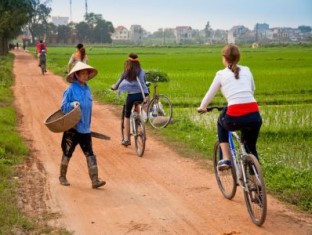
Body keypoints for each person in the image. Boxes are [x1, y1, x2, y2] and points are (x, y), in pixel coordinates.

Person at [197, 44, 262, 171]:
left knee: (221, 123)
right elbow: (252, 89)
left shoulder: (221, 74)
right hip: (254, 115)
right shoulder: (247, 70)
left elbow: (209, 94)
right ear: (238, 58)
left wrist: (202, 107)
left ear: (224, 58)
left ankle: (226, 158)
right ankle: (257, 183)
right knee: (251, 148)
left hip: (234, 117)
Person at [59, 61, 106, 188]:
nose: (85, 76)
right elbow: (63, 106)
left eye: (87, 73)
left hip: (85, 128)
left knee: (90, 153)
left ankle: (95, 180)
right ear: (76, 75)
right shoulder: (70, 90)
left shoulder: (87, 89)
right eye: (83, 73)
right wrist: (72, 104)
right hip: (72, 128)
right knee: (68, 152)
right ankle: (62, 176)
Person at [111, 53, 149, 146]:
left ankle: (127, 138)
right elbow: (144, 82)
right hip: (143, 95)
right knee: (141, 108)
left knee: (127, 115)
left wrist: (114, 87)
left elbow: (117, 83)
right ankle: (142, 125)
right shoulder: (142, 71)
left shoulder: (126, 72)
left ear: (128, 62)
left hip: (132, 96)